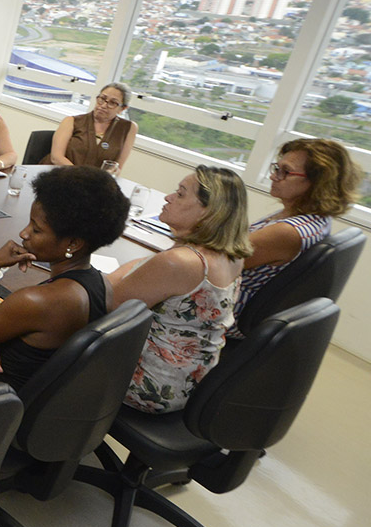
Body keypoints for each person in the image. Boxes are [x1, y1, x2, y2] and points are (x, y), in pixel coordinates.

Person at [0, 166, 130, 392]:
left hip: (1, 407)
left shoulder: (38, 301)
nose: (23, 234)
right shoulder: (101, 284)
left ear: (73, 244)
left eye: (36, 230)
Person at [110, 166, 252, 414]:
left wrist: (118, 273)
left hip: (150, 385)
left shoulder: (181, 262)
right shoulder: (232, 257)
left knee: (60, 326)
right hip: (194, 383)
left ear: (209, 212)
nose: (168, 198)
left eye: (181, 194)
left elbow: (110, 302)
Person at [230, 138, 362, 338]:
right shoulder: (311, 218)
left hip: (227, 311)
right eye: (277, 168)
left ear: (317, 182)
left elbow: (217, 263)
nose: (274, 176)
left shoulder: (288, 231)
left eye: (286, 171)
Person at [50, 82, 139, 169]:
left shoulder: (128, 128)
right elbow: (56, 158)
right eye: (102, 99)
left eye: (112, 103)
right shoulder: (71, 121)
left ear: (122, 108)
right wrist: (83, 177)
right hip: (62, 174)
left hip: (96, 180)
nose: (104, 105)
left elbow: (117, 167)